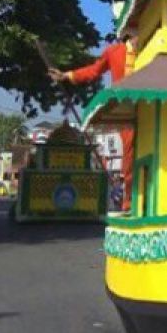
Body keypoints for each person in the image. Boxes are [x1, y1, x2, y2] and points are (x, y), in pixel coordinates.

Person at [50, 31, 138, 211]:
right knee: (130, 152)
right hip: (125, 112)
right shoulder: (114, 52)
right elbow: (94, 71)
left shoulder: (151, 46)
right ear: (129, 33)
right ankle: (129, 201)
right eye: (137, 30)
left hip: (151, 104)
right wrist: (67, 75)